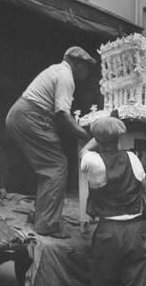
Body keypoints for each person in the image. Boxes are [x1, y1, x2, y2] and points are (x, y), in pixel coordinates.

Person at [6, 46, 95, 238]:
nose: (87, 73)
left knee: (47, 167)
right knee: (56, 165)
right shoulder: (66, 77)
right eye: (86, 67)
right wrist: (86, 136)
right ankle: (47, 224)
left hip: (21, 114)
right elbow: (63, 115)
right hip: (29, 115)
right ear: (76, 64)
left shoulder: (56, 70)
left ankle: (40, 214)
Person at [80, 116, 146, 286]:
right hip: (136, 230)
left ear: (98, 139)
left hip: (109, 233)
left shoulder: (93, 161)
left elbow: (83, 150)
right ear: (120, 137)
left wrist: (99, 135)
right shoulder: (133, 158)